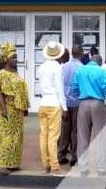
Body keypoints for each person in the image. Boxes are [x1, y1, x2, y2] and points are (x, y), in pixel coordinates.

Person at [71, 52, 106, 176]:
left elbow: (74, 88)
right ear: (100, 62)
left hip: (83, 103)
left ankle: (83, 168)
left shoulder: (80, 71)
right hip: (98, 103)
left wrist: (82, 92)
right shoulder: (103, 71)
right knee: (101, 136)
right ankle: (102, 168)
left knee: (82, 136)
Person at [0, 42, 29, 175]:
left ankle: (12, 163)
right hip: (6, 108)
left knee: (17, 137)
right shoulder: (2, 73)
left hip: (17, 110)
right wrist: (3, 109)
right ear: (6, 59)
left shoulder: (15, 72)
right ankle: (0, 165)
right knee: (5, 137)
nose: (15, 60)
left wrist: (24, 108)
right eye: (12, 57)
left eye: (16, 57)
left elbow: (20, 91)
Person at [38, 42, 67, 176]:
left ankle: (47, 164)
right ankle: (55, 167)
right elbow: (60, 88)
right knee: (53, 137)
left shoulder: (41, 67)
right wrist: (65, 107)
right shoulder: (57, 67)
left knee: (44, 135)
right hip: (54, 104)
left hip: (43, 103)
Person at [57, 44, 83, 166]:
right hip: (78, 102)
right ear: (81, 53)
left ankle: (61, 154)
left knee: (64, 130)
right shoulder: (82, 68)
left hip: (65, 103)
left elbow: (60, 86)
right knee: (75, 131)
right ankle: (74, 155)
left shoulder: (64, 67)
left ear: (72, 53)